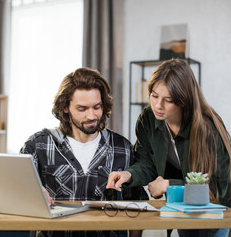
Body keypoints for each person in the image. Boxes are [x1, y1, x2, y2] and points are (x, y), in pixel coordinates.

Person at [106, 59, 231, 237]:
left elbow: (214, 188)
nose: (158, 106)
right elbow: (146, 162)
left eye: (168, 100)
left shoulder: (206, 127)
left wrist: (168, 185)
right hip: (184, 189)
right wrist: (129, 174)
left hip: (222, 189)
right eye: (154, 96)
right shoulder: (148, 119)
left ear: (183, 101)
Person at [21, 67, 147, 237]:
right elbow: (10, 191)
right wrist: (31, 191)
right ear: (65, 107)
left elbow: (137, 206)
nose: (91, 116)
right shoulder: (38, 145)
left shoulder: (122, 148)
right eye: (82, 109)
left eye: (97, 107)